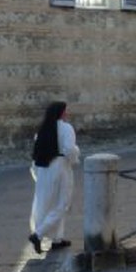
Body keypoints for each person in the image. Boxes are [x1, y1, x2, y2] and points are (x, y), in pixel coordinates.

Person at [28, 101, 80, 254]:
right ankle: (38, 234)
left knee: (48, 203)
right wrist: (75, 156)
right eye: (65, 111)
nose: (67, 114)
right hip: (60, 165)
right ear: (60, 113)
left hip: (44, 168)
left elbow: (36, 154)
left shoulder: (42, 130)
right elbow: (70, 149)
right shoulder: (66, 128)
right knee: (63, 202)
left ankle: (57, 238)